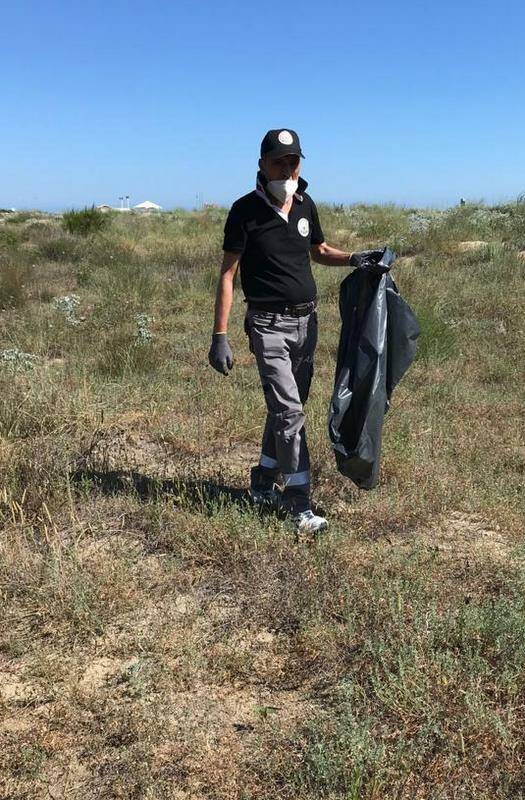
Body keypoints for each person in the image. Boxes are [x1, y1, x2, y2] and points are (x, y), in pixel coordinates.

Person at [208, 128, 379, 534]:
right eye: (279, 161)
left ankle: (264, 479)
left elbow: (319, 252)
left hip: (307, 323)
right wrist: (220, 335)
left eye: (294, 161)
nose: (287, 168)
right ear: (262, 164)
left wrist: (356, 258)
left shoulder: (306, 206)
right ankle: (299, 503)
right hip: (268, 326)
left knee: (290, 406)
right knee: (289, 412)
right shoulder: (244, 211)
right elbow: (228, 276)